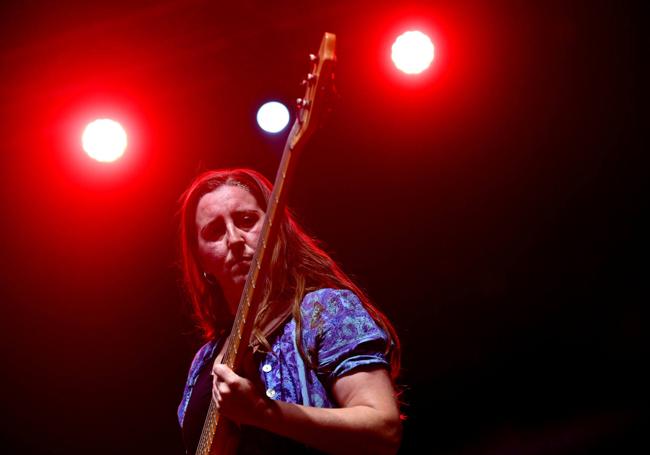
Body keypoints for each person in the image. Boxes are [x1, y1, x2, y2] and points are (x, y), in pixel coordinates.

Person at [177, 168, 402, 455]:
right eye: (215, 231)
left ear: (276, 228)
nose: (234, 239)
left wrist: (262, 412)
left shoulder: (323, 309)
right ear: (201, 261)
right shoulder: (202, 362)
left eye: (247, 221)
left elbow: (382, 428)